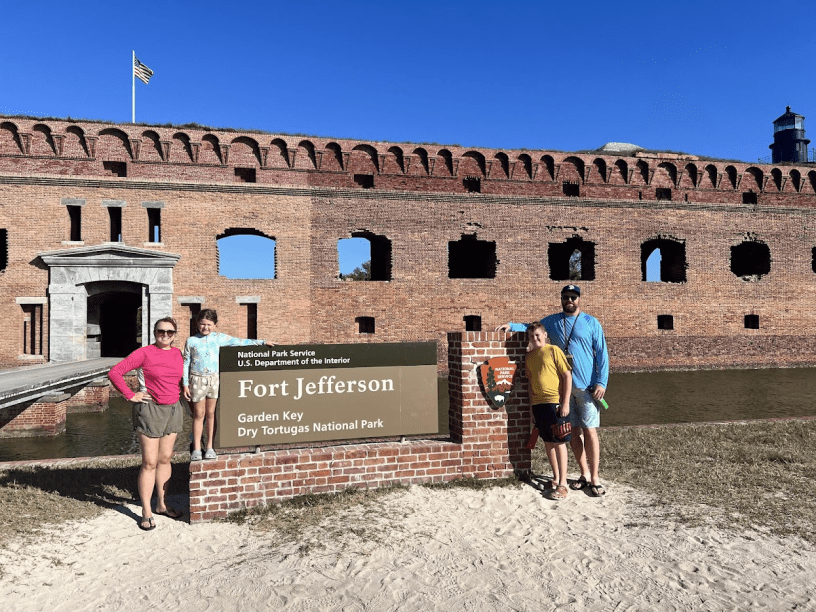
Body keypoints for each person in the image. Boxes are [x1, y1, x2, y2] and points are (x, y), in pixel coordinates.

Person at [498, 284, 609, 496]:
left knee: (590, 431)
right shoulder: (553, 321)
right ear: (561, 298)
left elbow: (602, 353)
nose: (570, 300)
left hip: (587, 387)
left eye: (573, 297)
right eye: (566, 297)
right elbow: (531, 328)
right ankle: (584, 474)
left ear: (579, 299)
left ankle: (595, 478)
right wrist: (511, 325)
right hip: (562, 391)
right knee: (573, 433)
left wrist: (602, 382)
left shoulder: (590, 322)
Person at [108, 317, 185, 531]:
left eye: (170, 332)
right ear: (154, 332)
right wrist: (130, 395)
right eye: (161, 331)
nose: (165, 335)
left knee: (165, 459)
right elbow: (115, 372)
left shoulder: (178, 354)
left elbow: (179, 379)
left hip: (173, 409)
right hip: (150, 410)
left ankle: (161, 505)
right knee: (150, 462)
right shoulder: (145, 353)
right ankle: (146, 511)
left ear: (175, 334)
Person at [182, 309, 275, 461]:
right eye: (203, 324)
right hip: (197, 380)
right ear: (197, 323)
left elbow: (239, 342)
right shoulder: (191, 341)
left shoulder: (219, 338)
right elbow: (186, 362)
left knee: (211, 414)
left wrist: (262, 342)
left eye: (209, 324)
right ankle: (197, 448)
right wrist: (185, 383)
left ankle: (211, 446)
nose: (206, 327)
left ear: (215, 325)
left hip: (214, 379)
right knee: (199, 415)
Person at [525, 322, 573, 500]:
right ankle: (555, 477)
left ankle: (563, 484)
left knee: (559, 442)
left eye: (538, 335)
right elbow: (530, 384)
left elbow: (567, 375)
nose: (535, 339)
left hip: (555, 403)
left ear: (544, 335)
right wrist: (531, 408)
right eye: (531, 336)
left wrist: (565, 403)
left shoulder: (554, 351)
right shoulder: (529, 357)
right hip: (539, 405)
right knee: (547, 442)